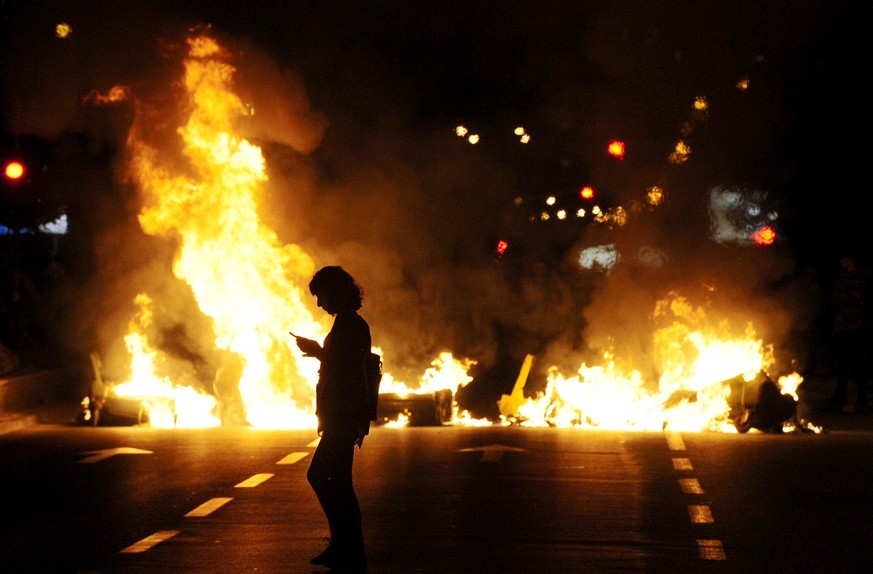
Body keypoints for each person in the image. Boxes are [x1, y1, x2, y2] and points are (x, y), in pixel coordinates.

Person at [292, 266, 371, 571]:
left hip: (344, 414)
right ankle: (345, 546)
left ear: (335, 291)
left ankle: (348, 546)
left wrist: (318, 352)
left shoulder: (351, 325)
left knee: (323, 477)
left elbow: (349, 370)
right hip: (341, 414)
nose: (319, 303)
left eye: (321, 295)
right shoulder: (348, 323)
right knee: (338, 480)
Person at [828, 253, 872, 413]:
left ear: (851, 259)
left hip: (857, 327)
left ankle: (862, 400)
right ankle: (840, 398)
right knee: (841, 365)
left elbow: (862, 299)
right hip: (842, 327)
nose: (842, 261)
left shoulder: (863, 277)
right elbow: (836, 299)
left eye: (844, 258)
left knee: (857, 365)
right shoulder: (842, 278)